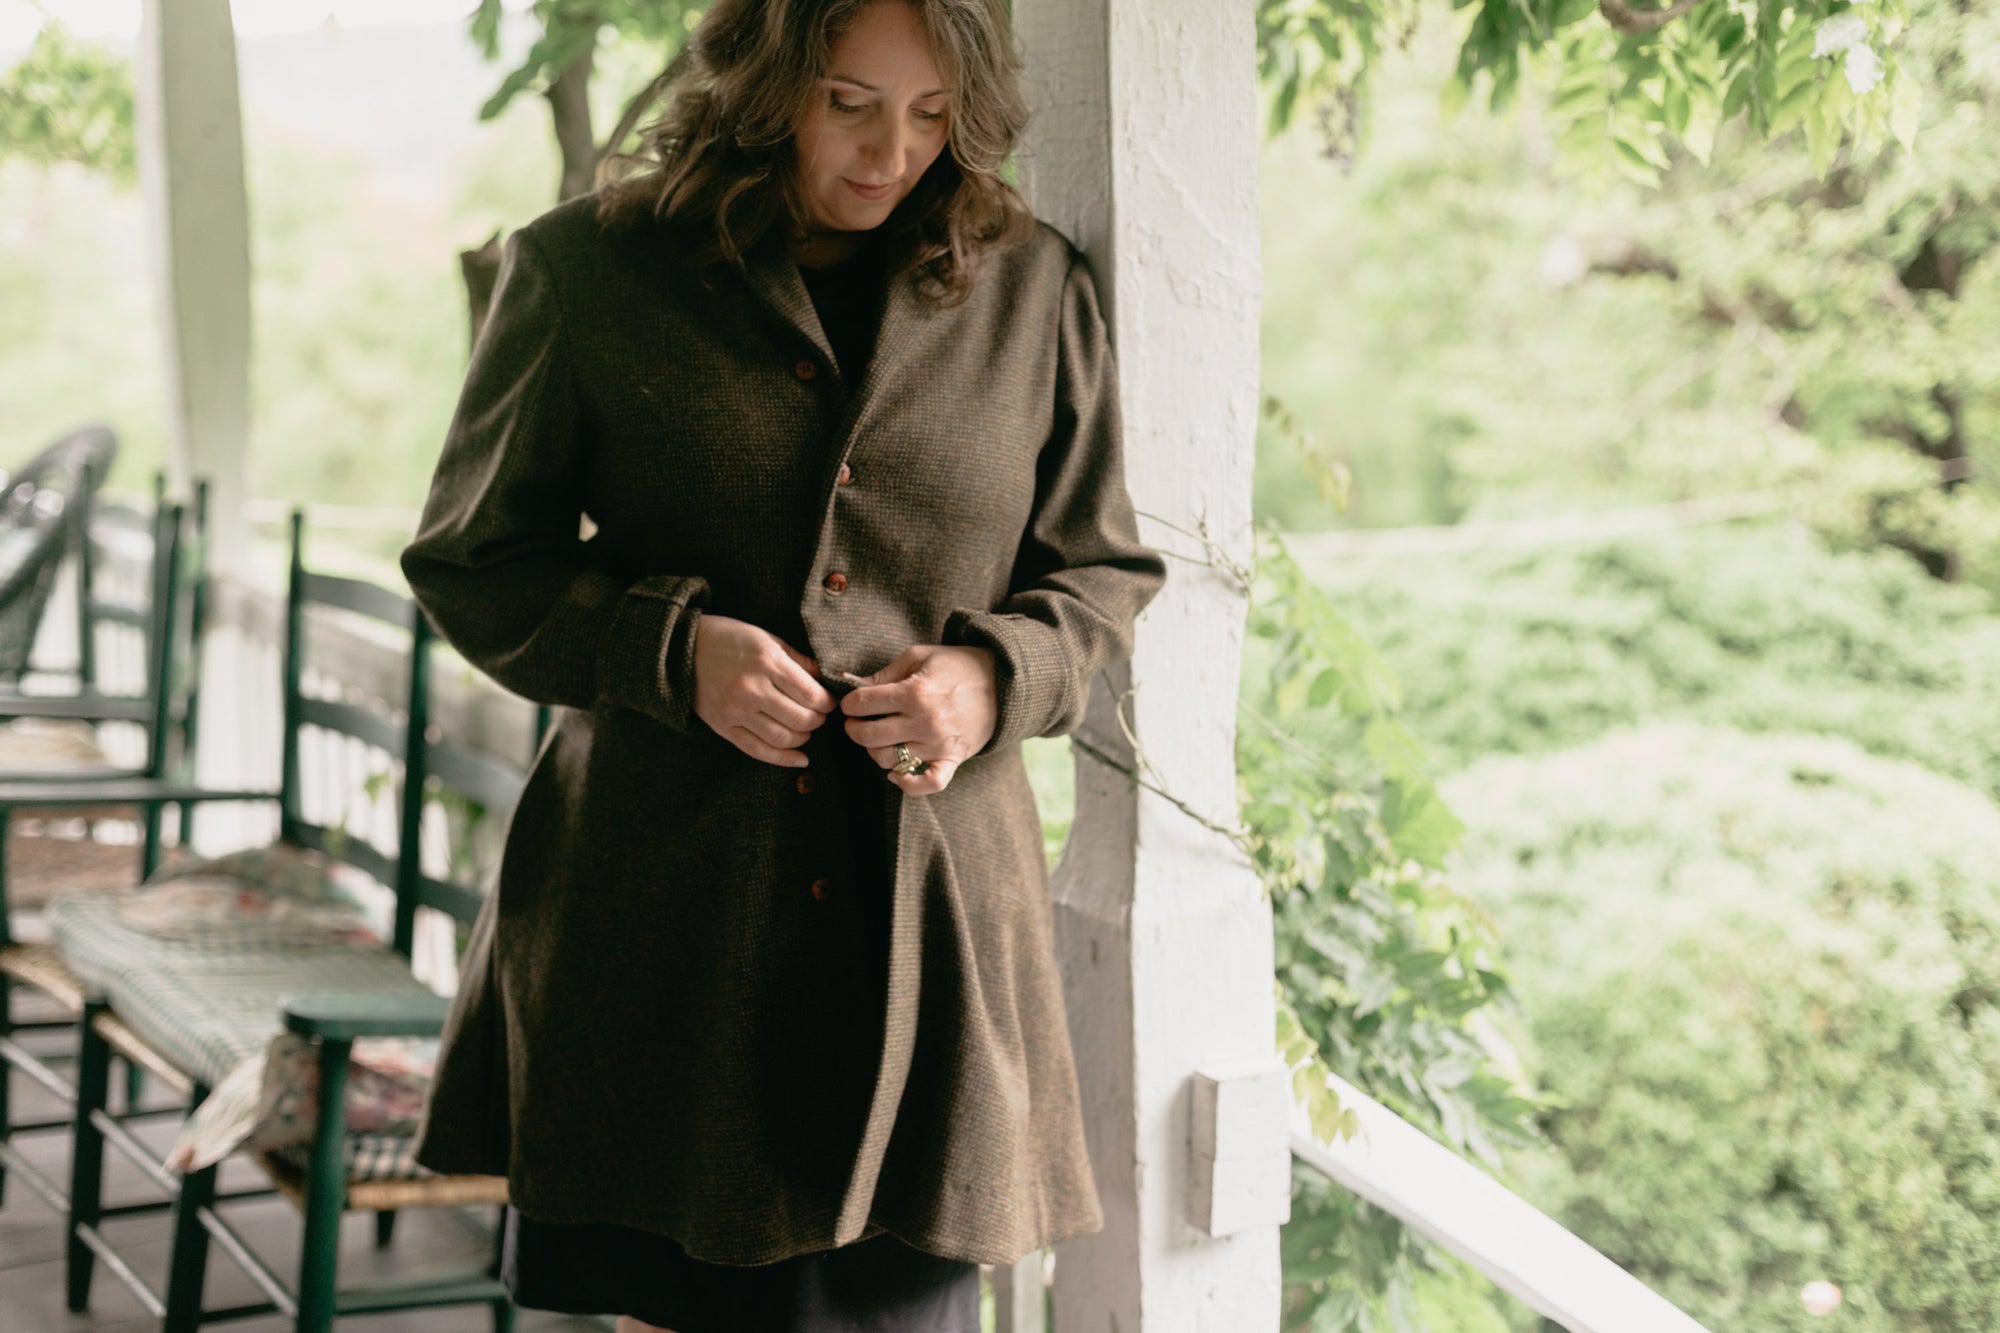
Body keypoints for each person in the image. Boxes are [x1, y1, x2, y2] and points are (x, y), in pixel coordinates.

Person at [398, 0, 1167, 1329]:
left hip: (930, 941)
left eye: (932, 116)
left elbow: (1100, 574)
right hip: (663, 928)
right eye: (851, 103)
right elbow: (473, 561)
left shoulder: (1033, 290)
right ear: (765, 81)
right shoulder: (589, 271)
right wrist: (667, 650)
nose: (890, 154)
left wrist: (992, 677)